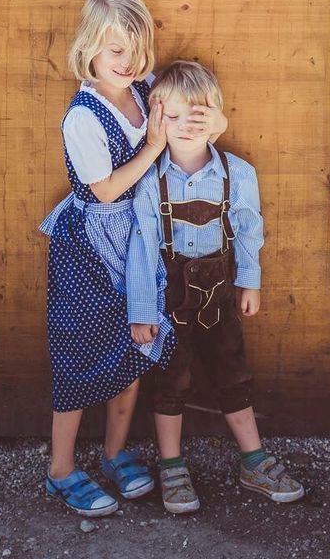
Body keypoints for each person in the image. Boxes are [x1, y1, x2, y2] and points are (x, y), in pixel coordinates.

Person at [39, 0, 226, 518]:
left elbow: (194, 121)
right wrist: (152, 149)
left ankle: (117, 452)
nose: (129, 62)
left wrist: (207, 128)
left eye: (138, 49)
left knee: (134, 347)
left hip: (141, 242)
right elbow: (102, 190)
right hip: (90, 250)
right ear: (90, 49)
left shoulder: (145, 91)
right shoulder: (83, 116)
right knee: (78, 357)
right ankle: (61, 469)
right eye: (115, 50)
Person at [126, 60, 305, 514]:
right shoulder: (148, 179)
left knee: (233, 374)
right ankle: (171, 466)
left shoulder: (237, 174)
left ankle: (254, 461)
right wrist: (142, 309)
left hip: (221, 297)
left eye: (199, 115)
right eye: (173, 115)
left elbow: (249, 230)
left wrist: (250, 280)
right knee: (171, 379)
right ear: (154, 118)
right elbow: (143, 248)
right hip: (168, 303)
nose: (186, 126)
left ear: (216, 119)